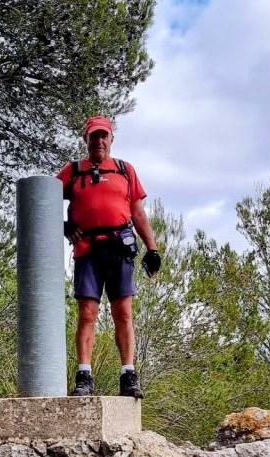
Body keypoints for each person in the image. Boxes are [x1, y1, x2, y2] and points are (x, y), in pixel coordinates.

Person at [57, 115, 161, 398]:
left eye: (104, 135)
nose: (99, 141)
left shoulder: (125, 170)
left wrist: (152, 248)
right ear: (85, 139)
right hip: (87, 250)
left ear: (111, 138)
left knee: (123, 312)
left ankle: (129, 375)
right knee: (87, 313)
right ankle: (84, 376)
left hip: (119, 249)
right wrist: (63, 225)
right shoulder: (73, 171)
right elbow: (45, 199)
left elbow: (137, 212)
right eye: (94, 136)